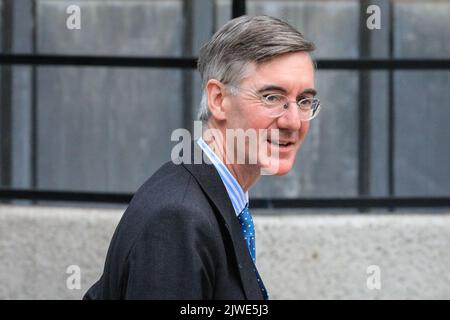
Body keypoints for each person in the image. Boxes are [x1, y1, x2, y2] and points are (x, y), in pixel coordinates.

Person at [83, 15, 320, 300]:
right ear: (218, 100)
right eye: (271, 97)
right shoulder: (177, 218)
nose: (293, 122)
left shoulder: (210, 196)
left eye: (304, 101)